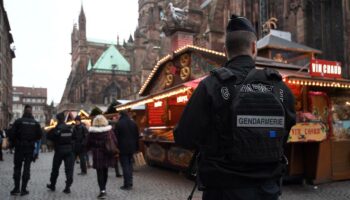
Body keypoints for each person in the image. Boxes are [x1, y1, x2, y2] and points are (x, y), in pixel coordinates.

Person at [174, 15, 296, 200]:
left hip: (223, 190)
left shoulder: (211, 86)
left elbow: (184, 136)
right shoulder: (279, 88)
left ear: (225, 51)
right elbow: (285, 133)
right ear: (254, 47)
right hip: (267, 190)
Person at [8, 105, 42, 196]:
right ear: (31, 112)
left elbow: (11, 134)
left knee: (17, 167)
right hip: (29, 148)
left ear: (24, 111)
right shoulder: (35, 123)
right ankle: (23, 189)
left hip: (19, 147)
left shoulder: (18, 121)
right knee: (27, 168)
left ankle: (16, 188)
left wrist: (14, 143)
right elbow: (39, 136)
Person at [86, 115, 118, 199]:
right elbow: (115, 141)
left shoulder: (92, 132)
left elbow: (88, 143)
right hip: (107, 153)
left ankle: (102, 190)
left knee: (99, 173)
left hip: (97, 154)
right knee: (105, 171)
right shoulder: (109, 131)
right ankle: (104, 188)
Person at [46, 112, 76, 194]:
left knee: (55, 169)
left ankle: (52, 185)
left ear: (58, 119)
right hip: (69, 151)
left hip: (59, 151)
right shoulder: (70, 128)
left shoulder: (56, 128)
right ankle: (68, 187)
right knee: (69, 170)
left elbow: (49, 136)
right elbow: (75, 137)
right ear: (64, 119)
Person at [114, 110, 139, 190]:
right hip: (132, 147)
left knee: (125, 166)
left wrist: (116, 148)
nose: (117, 116)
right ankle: (130, 182)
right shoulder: (133, 123)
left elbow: (115, 137)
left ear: (121, 115)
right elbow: (137, 136)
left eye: (118, 115)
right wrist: (136, 148)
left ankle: (127, 184)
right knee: (130, 164)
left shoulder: (118, 124)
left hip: (122, 148)